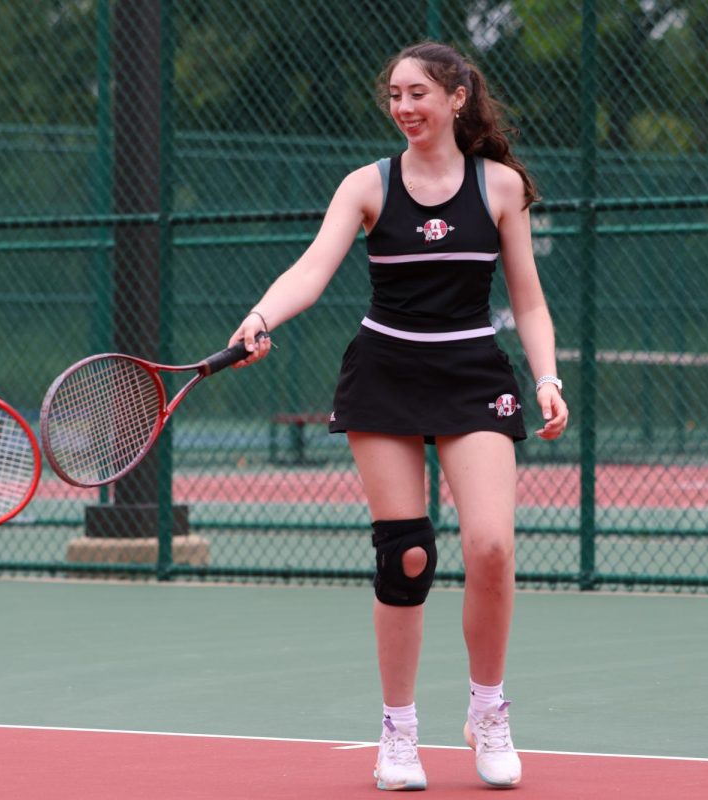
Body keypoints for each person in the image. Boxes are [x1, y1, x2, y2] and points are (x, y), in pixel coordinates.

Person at [229, 41, 569, 791]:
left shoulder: (502, 187)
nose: (405, 107)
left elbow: (530, 300)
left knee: (490, 548)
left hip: (473, 370)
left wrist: (546, 376)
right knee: (406, 553)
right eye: (394, 95)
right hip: (386, 370)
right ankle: (399, 732)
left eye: (418, 93)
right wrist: (260, 315)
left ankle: (487, 711)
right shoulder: (368, 185)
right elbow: (313, 269)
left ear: (456, 98)